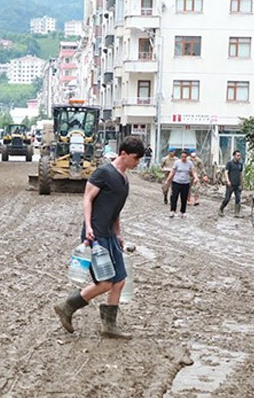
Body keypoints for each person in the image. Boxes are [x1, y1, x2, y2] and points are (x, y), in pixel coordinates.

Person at [54, 136, 146, 339]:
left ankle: (109, 326)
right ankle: (66, 306)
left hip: (110, 235)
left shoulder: (124, 179)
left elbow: (115, 210)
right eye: (135, 157)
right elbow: (87, 198)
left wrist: (119, 233)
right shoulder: (103, 173)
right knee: (105, 282)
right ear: (123, 154)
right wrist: (88, 227)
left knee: (120, 280)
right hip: (95, 234)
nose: (137, 162)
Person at [165, 150, 198, 218]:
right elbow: (172, 172)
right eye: (182, 157)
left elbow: (193, 171)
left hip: (185, 183)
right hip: (176, 182)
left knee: (184, 198)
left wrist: (196, 177)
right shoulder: (177, 162)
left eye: (185, 157)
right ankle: (172, 211)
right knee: (174, 197)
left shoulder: (190, 163)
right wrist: (167, 180)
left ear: (187, 157)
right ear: (180, 156)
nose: (183, 158)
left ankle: (183, 211)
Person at [219, 150, 244, 217]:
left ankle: (237, 213)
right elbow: (226, 172)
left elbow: (241, 174)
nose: (239, 157)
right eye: (237, 155)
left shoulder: (240, 164)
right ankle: (221, 209)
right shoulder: (229, 163)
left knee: (238, 199)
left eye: (239, 155)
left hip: (237, 184)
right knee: (227, 198)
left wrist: (242, 184)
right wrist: (228, 181)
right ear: (234, 156)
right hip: (230, 184)